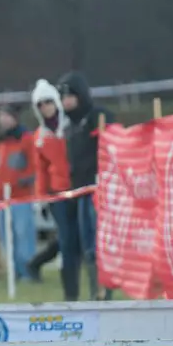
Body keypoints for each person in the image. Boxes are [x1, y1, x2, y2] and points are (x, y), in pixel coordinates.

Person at [55, 71, 115, 301]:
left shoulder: (98, 116)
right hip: (80, 191)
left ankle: (103, 292)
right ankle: (95, 292)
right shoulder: (70, 124)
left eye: (69, 95)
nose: (65, 100)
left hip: (100, 189)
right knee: (86, 243)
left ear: (80, 95)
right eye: (62, 96)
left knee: (98, 243)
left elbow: (115, 143)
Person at [30, 78, 74, 296]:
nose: (45, 107)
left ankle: (36, 263)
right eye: (40, 104)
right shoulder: (39, 137)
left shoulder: (72, 127)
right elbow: (41, 171)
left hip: (79, 188)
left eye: (47, 101)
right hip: (57, 195)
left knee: (77, 237)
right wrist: (41, 199)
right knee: (66, 239)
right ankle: (70, 291)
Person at [0, 105, 37, 280]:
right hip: (1, 199)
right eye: (1, 116)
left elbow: (33, 166)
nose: (3, 120)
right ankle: (14, 271)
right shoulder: (1, 141)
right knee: (7, 238)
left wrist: (20, 182)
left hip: (20, 197)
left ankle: (28, 271)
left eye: (6, 116)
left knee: (23, 235)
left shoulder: (25, 139)